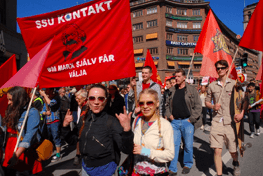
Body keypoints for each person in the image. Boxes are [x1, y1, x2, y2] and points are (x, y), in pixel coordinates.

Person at [62, 84, 134, 176]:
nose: (96, 102)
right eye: (92, 98)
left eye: (100, 98)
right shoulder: (84, 118)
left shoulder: (111, 122)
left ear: (105, 101)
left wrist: (127, 130)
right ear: (88, 100)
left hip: (105, 169)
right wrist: (65, 127)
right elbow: (73, 140)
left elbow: (126, 149)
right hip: (85, 167)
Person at [205, 60, 243, 176]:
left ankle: (235, 162)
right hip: (217, 121)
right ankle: (219, 174)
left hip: (231, 121)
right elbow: (207, 102)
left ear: (227, 69)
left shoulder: (235, 84)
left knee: (232, 150)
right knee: (217, 150)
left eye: (222, 68)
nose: (219, 70)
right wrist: (212, 106)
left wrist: (241, 114)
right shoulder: (211, 86)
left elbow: (243, 101)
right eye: (218, 68)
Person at [165, 69, 202, 176]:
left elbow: (198, 106)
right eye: (175, 76)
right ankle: (172, 168)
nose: (176, 78)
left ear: (184, 77)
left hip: (187, 121)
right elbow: (166, 105)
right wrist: (169, 116)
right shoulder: (171, 90)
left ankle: (187, 164)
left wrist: (192, 119)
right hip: (175, 122)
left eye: (179, 76)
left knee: (188, 145)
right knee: (174, 145)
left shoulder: (192, 89)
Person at [130, 88, 174, 175]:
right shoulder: (136, 121)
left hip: (156, 172)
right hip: (136, 172)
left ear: (157, 103)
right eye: (141, 103)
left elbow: (170, 154)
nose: (145, 106)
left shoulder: (165, 125)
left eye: (149, 102)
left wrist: (145, 151)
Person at [2, 86, 42, 175]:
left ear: (18, 99)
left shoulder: (32, 112)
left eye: (10, 100)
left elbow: (29, 135)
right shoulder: (13, 110)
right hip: (10, 146)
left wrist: (16, 155)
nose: (8, 102)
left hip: (22, 150)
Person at [39, 88, 62, 163]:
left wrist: (45, 96)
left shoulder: (56, 98)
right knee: (47, 138)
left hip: (54, 120)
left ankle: (58, 154)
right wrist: (45, 113)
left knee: (56, 137)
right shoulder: (46, 99)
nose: (46, 92)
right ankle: (48, 153)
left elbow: (51, 103)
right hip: (48, 121)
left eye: (47, 91)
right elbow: (42, 111)